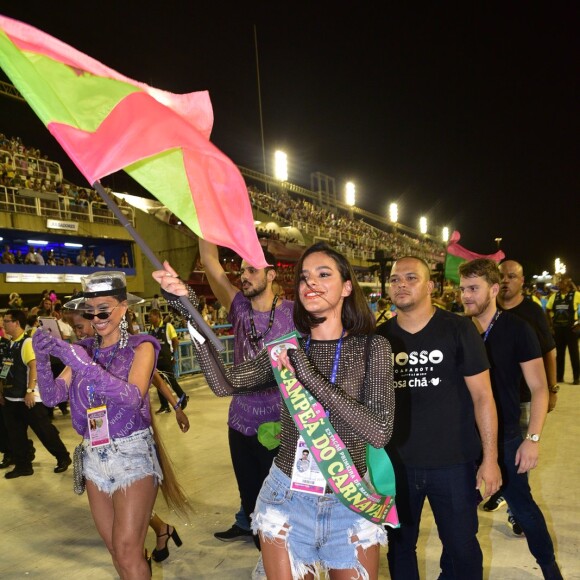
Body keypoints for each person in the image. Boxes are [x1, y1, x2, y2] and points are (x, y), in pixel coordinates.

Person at [154, 242, 395, 579]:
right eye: (304, 277)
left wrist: (310, 378)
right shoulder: (286, 348)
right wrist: (188, 310)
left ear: (347, 287)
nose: (310, 283)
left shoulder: (373, 347)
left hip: (348, 502)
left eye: (323, 274)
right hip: (286, 500)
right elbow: (224, 383)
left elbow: (380, 431)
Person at [32, 271, 187, 578]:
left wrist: (79, 362)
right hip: (93, 458)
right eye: (90, 311)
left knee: (129, 553)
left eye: (104, 309)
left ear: (123, 307)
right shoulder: (85, 350)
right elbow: (51, 397)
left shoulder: (143, 345)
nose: (97, 317)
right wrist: (41, 357)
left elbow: (132, 398)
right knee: (117, 553)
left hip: (133, 457)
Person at [376, 256, 501, 580]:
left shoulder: (458, 329)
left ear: (431, 285)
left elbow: (483, 397)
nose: (400, 284)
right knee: (400, 548)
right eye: (394, 279)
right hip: (397, 467)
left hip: (453, 464)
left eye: (410, 278)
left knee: (461, 549)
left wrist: (490, 459)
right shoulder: (378, 339)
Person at [459, 259, 563, 580]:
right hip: (462, 441)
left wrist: (532, 440)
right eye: (462, 289)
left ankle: (549, 569)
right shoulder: (455, 329)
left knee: (523, 508)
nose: (466, 296)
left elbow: (539, 388)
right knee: (460, 517)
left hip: (505, 437)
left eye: (473, 289)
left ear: (492, 289)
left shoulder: (519, 329)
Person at [196, 239, 294, 554]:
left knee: (281, 509)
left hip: (280, 427)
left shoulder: (294, 314)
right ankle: (265, 561)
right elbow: (210, 263)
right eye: (241, 270)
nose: (243, 275)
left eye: (251, 269)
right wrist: (205, 218)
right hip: (239, 425)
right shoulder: (239, 307)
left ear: (272, 274)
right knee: (253, 505)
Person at [481, 260, 559, 526]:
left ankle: (516, 507)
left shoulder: (531, 312)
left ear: (522, 281)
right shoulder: (483, 313)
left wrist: (551, 388)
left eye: (511, 276)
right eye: (501, 276)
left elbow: (549, 350)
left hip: (523, 396)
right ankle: (502, 491)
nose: (505, 281)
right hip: (489, 398)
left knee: (518, 457)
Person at [1, 309, 71, 479]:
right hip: (11, 398)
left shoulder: (27, 343)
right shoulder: (9, 344)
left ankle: (63, 457)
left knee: (44, 431)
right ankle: (23, 466)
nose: (3, 324)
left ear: (16, 322)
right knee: (16, 435)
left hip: (28, 399)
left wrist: (30, 391)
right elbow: (5, 369)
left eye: (6, 321)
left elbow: (33, 367)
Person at [147, 308, 188, 414]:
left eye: (151, 316)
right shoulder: (150, 329)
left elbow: (175, 341)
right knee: (159, 383)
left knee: (171, 380)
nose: (149, 318)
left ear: (157, 316)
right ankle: (164, 406)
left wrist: (172, 355)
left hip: (166, 359)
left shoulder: (167, 326)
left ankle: (183, 397)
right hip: (156, 360)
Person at [546, 276, 580, 385]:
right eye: (559, 282)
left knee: (574, 353)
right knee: (559, 354)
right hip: (558, 329)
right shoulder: (554, 297)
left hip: (571, 329)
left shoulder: (575, 295)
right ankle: (559, 377)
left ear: (568, 284)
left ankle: (576, 378)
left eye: (562, 282)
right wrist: (551, 324)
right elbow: (548, 309)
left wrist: (579, 323)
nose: (560, 283)